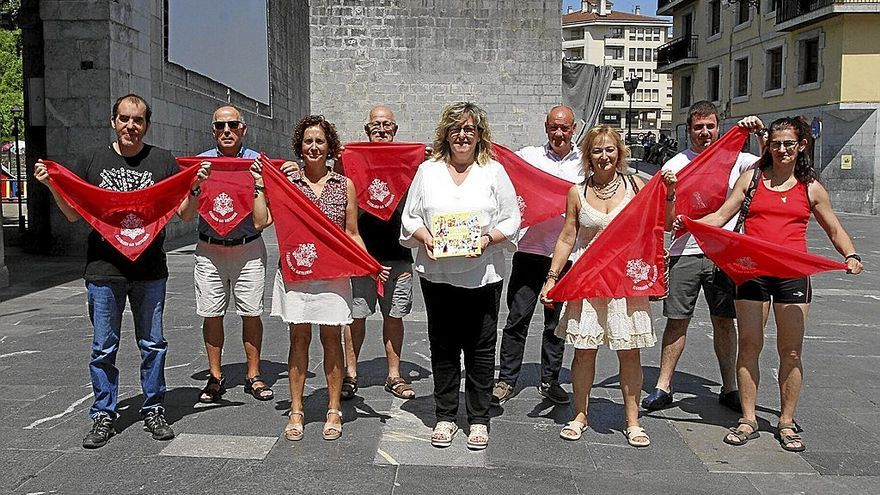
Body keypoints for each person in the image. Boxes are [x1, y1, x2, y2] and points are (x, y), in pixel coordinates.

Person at [33, 94, 210, 449]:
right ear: (113, 121)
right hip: (103, 269)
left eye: (138, 120)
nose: (131, 126)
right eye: (125, 119)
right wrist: (52, 183)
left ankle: (154, 407)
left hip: (150, 270)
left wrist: (194, 186)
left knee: (153, 345)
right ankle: (103, 413)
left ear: (147, 125)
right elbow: (72, 214)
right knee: (103, 348)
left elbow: (186, 215)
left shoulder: (161, 161)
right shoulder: (92, 160)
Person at [679, 116, 863, 452]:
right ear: (768, 145)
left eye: (788, 144)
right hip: (751, 273)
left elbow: (834, 229)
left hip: (793, 274)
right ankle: (748, 418)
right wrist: (690, 223)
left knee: (791, 351)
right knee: (750, 346)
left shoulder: (811, 188)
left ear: (801, 146)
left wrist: (850, 254)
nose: (780, 150)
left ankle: (786, 421)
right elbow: (721, 216)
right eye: (775, 144)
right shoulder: (752, 178)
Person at [540, 125, 677, 448]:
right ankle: (580, 414)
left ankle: (632, 420)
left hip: (624, 283)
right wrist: (552, 277)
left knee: (629, 354)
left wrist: (669, 194)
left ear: (619, 153)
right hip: (588, 281)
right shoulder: (577, 191)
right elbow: (567, 236)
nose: (604, 156)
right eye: (597, 151)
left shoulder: (636, 185)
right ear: (588, 156)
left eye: (610, 150)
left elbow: (664, 224)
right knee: (584, 352)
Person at [401, 101, 520, 450]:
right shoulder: (428, 170)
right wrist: (426, 238)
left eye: (469, 128)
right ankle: (446, 415)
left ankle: (479, 418)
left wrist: (487, 239)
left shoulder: (494, 171)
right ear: (445, 133)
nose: (462, 135)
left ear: (479, 134)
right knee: (443, 346)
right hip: (437, 273)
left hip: (482, 273)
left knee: (481, 347)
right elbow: (411, 217)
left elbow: (511, 219)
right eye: (456, 128)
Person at [642, 101, 765, 413]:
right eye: (699, 127)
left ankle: (730, 387)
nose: (705, 132)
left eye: (710, 126)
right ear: (689, 130)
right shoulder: (676, 165)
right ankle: (663, 386)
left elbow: (769, 165)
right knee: (676, 320)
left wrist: (761, 133)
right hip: (685, 251)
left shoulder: (739, 160)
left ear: (719, 127)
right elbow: (664, 215)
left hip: (723, 253)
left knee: (724, 321)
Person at [271, 115, 387, 442]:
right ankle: (296, 410)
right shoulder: (288, 183)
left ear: (330, 147)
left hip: (333, 275)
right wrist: (261, 184)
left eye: (320, 141)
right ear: (299, 146)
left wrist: (370, 264)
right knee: (298, 340)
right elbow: (263, 220)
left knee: (332, 340)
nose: (313, 146)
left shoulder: (343, 185)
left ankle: (333, 408)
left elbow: (352, 232)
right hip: (297, 272)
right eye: (308, 141)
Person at [492, 105, 585, 406]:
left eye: (565, 128)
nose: (559, 133)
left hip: (566, 255)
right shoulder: (528, 157)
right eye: (554, 127)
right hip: (530, 251)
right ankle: (506, 380)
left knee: (555, 322)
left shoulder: (584, 164)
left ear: (574, 130)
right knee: (517, 319)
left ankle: (551, 380)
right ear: (546, 127)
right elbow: (497, 164)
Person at [341, 105, 423, 401]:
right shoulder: (352, 160)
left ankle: (394, 374)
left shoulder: (410, 164)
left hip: (398, 254)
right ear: (367, 130)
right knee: (356, 316)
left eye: (387, 124)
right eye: (376, 124)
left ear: (395, 130)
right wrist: (340, 158)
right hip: (361, 255)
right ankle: (350, 374)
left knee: (394, 315)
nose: (381, 128)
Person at [194, 105, 273, 403]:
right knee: (212, 313)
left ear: (244, 129)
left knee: (251, 312)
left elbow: (269, 213)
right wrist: (194, 184)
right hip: (209, 249)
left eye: (232, 125)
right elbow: (184, 210)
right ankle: (215, 376)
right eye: (220, 126)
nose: (226, 131)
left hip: (248, 247)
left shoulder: (258, 164)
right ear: (213, 130)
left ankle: (254, 374)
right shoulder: (200, 164)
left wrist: (263, 183)